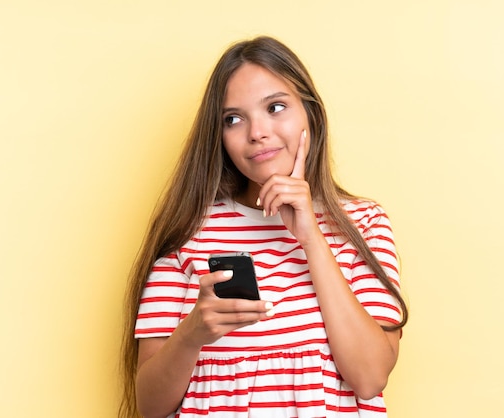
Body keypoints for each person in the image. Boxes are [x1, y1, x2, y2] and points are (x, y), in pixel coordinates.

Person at [119, 36, 408, 418]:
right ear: (219, 137)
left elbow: (370, 378)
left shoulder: (364, 223)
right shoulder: (188, 232)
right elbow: (150, 407)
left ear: (311, 115)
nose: (257, 132)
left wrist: (311, 236)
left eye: (275, 107)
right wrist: (193, 333)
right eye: (233, 119)